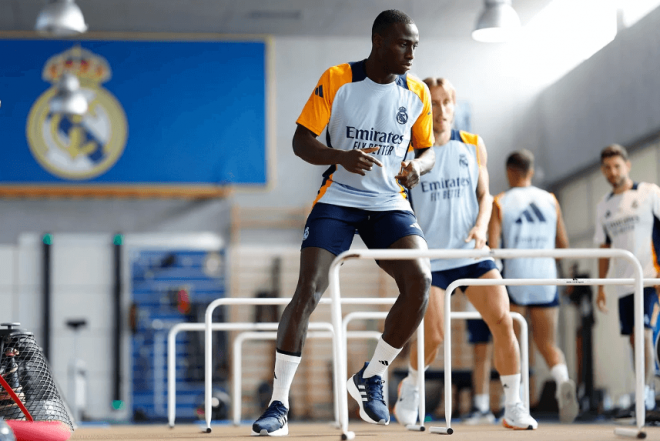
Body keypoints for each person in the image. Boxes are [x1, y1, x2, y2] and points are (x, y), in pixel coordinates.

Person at [251, 9, 436, 436]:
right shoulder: (338, 79)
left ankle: (372, 375)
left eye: (415, 45)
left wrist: (418, 169)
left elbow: (427, 150)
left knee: (420, 281)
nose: (411, 53)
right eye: (403, 44)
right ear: (378, 42)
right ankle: (279, 405)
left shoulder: (418, 94)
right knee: (309, 290)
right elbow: (301, 141)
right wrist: (341, 157)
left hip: (390, 200)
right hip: (338, 198)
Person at [393, 78, 538, 430]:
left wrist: (481, 227)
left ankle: (514, 405)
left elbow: (485, 195)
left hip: (472, 253)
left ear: (454, 106)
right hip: (432, 258)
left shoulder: (473, 145)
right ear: (422, 108)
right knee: (435, 338)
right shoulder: (409, 152)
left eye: (446, 103)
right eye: (434, 103)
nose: (441, 110)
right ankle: (411, 386)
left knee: (503, 319)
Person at [488, 149, 578, 423]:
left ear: (509, 172)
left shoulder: (501, 201)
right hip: (546, 278)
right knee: (546, 343)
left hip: (516, 278)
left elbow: (492, 248)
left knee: (512, 342)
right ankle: (562, 378)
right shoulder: (550, 200)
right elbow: (563, 244)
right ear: (531, 170)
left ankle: (515, 400)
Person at [594, 144, 660, 415]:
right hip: (623, 285)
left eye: (617, 166)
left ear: (627, 166)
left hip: (650, 277)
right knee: (635, 339)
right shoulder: (604, 207)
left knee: (645, 335)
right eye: (607, 168)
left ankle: (645, 396)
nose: (613, 172)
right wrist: (600, 287)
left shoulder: (649, 192)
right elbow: (603, 248)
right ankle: (644, 394)